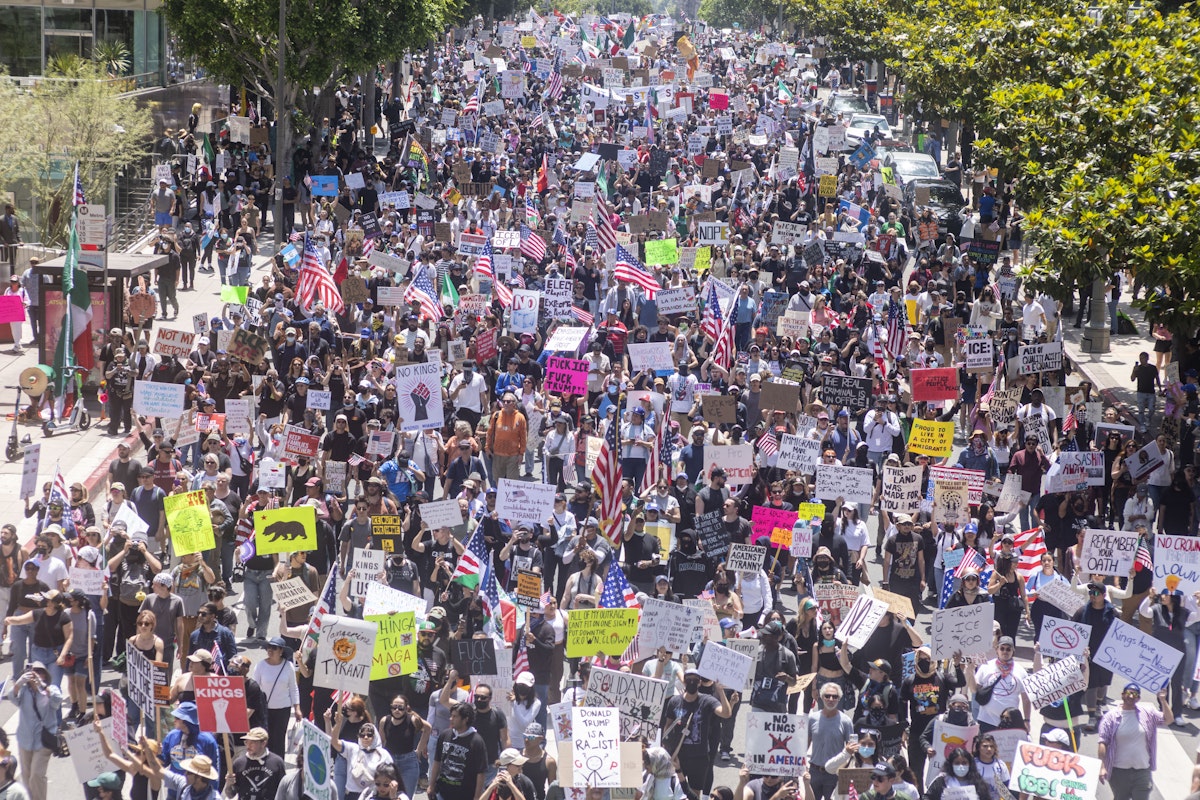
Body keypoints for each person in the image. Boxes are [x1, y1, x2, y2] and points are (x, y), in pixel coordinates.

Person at [1097, 683, 1172, 800]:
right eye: (1128, 693)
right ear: (1122, 695)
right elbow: (1103, 743)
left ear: (1138, 698)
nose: (1131, 696)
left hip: (1142, 771)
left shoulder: (1147, 713)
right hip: (1119, 771)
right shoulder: (1110, 717)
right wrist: (1102, 767)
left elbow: (1168, 719)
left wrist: (1163, 700)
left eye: (1135, 694)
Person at [9, 662, 59, 800]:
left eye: (40, 672)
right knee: (26, 775)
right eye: (33, 672)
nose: (36, 675)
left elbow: (57, 701)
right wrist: (18, 684)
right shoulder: (24, 691)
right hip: (25, 739)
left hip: (43, 740)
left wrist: (42, 686)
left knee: (36, 775)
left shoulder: (50, 689)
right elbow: (12, 698)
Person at [326, 707, 395, 800]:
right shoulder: (353, 749)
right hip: (351, 795)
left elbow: (392, 776)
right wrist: (338, 723)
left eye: (369, 735)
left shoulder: (384, 754)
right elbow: (334, 742)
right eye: (362, 735)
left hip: (371, 796)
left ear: (375, 736)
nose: (365, 737)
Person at [966, 636, 1030, 733]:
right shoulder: (986, 666)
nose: (1005, 651)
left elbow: (1026, 699)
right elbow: (974, 690)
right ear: (997, 650)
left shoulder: (1021, 672)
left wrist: (1027, 720)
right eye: (1002, 648)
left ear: (1013, 651)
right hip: (986, 720)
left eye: (1008, 649)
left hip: (1009, 721)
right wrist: (970, 672)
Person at [251, 637, 301, 757]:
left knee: (278, 740)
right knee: (264, 739)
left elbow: (293, 688)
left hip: (283, 709)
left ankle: (278, 766)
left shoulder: (288, 666)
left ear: (281, 651)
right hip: (264, 709)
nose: (270, 650)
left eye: (274, 648)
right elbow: (254, 688)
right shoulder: (261, 665)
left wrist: (297, 708)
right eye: (269, 647)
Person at [430, 702, 489, 800]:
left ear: (465, 719)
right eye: (451, 716)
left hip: (465, 795)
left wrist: (477, 797)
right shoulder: (445, 735)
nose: (451, 719)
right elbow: (437, 761)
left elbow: (481, 772)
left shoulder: (476, 741)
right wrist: (431, 785)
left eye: (455, 716)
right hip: (442, 792)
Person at [806, 683, 855, 800]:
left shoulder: (846, 721)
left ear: (839, 699)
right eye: (827, 696)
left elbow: (851, 748)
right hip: (814, 771)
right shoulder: (812, 718)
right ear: (822, 697)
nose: (831, 699)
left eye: (835, 696)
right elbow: (805, 743)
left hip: (834, 774)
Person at [221, 727, 285, 800]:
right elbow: (231, 795)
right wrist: (229, 785)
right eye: (247, 742)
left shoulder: (277, 763)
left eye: (252, 742)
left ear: (263, 743)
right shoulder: (239, 763)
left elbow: (283, 791)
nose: (248, 746)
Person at [922, 747, 992, 800]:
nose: (961, 766)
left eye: (964, 763)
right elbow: (927, 798)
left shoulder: (977, 781)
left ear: (970, 764)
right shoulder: (942, 780)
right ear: (951, 764)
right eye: (957, 763)